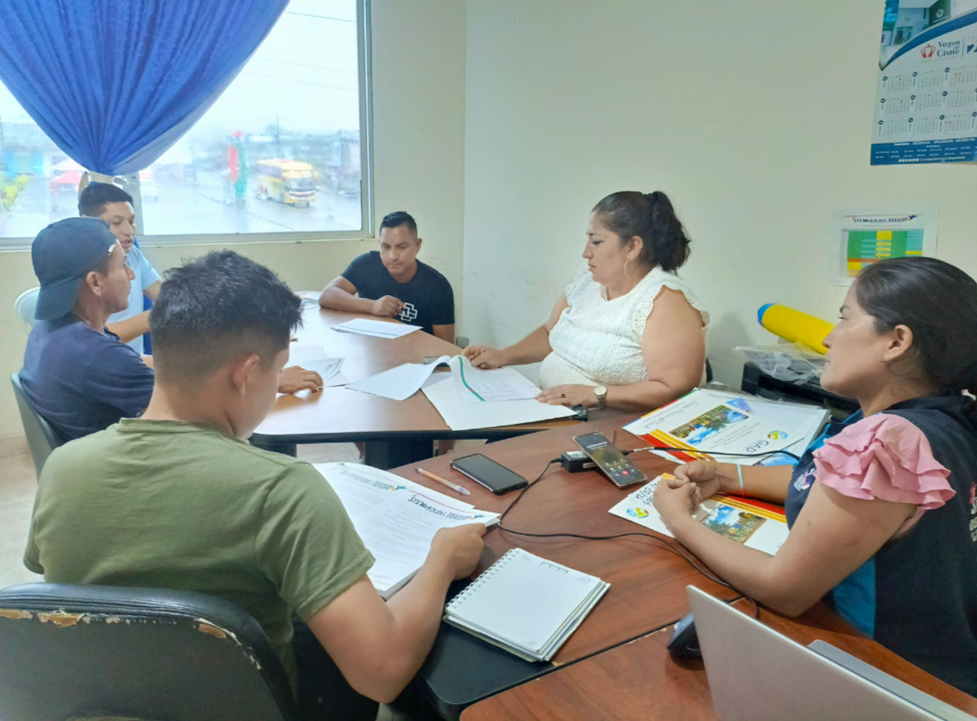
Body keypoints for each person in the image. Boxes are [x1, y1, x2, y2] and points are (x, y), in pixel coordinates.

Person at [24, 250, 487, 720]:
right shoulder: (283, 490)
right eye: (277, 369)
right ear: (247, 374)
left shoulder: (63, 468)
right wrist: (443, 559)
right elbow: (382, 672)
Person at [653, 257, 977, 696]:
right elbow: (839, 490)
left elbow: (784, 590)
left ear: (896, 341)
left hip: (889, 676)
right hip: (951, 658)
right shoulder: (945, 418)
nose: (827, 337)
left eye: (844, 318)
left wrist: (678, 520)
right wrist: (729, 477)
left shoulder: (885, 443)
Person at [19, 219, 323, 442]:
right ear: (95, 282)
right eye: (123, 267)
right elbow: (200, 408)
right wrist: (268, 379)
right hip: (135, 478)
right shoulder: (95, 357)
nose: (131, 275)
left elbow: (140, 362)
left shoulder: (51, 331)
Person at [463, 191, 708, 414]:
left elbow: (673, 387)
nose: (586, 252)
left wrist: (596, 395)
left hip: (615, 431)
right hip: (555, 415)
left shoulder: (664, 300)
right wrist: (503, 356)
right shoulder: (588, 280)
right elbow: (550, 332)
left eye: (596, 241)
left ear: (632, 247)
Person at [319, 211, 456, 343]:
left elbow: (446, 347)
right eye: (385, 247)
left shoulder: (437, 286)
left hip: (416, 354)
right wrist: (372, 306)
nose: (392, 256)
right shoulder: (367, 264)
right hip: (370, 349)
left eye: (401, 247)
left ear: (417, 245)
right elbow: (327, 295)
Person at [78, 182, 158, 356]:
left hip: (133, 361)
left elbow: (165, 294)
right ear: (88, 223)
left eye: (131, 222)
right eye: (116, 223)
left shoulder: (133, 254)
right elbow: (91, 339)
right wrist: (158, 316)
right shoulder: (79, 268)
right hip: (102, 364)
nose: (129, 231)